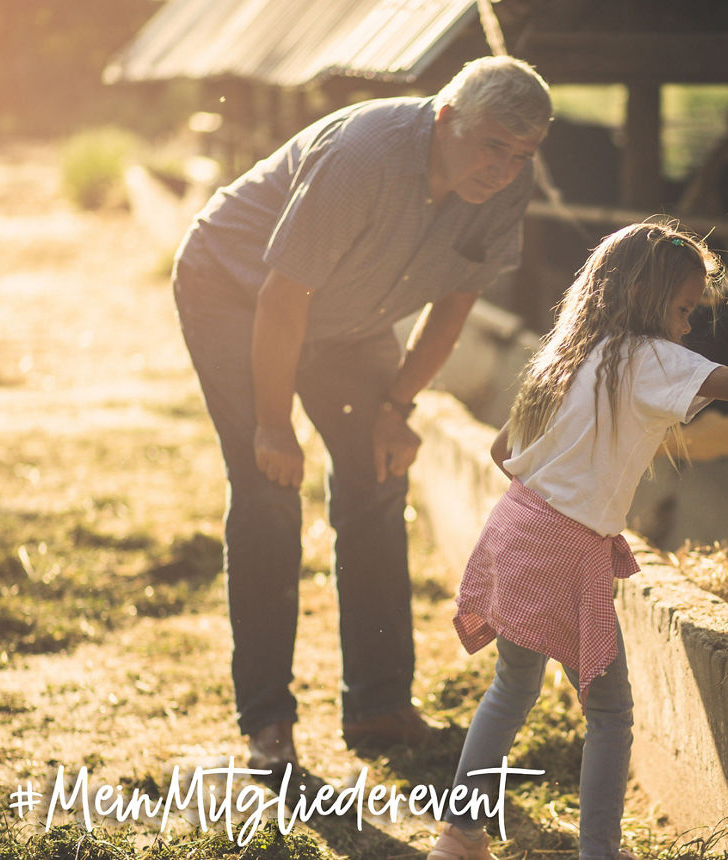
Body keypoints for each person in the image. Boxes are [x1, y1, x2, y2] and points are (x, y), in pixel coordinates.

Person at [426, 221, 728, 860]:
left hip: (516, 525)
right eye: (682, 309)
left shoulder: (566, 353)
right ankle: (599, 850)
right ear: (643, 297)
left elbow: (499, 449)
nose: (687, 325)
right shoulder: (646, 358)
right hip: (565, 546)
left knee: (510, 689)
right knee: (610, 711)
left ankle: (458, 834)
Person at [171, 55, 553, 774]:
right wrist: (274, 425)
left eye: (521, 154)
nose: (504, 169)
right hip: (237, 291)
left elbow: (454, 307)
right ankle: (268, 723)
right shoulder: (364, 157)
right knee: (268, 487)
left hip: (348, 315)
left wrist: (396, 408)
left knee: (378, 474)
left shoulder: (506, 183)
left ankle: (378, 705)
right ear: (447, 119)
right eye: (493, 147)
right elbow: (282, 299)